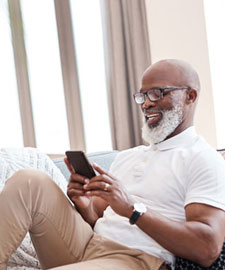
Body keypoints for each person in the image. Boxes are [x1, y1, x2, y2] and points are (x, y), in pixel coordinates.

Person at [1, 59, 225, 270]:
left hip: (135, 258)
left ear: (190, 96)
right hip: (88, 244)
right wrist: (84, 203)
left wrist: (132, 209)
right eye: (142, 95)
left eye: (158, 93)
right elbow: (96, 217)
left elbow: (207, 248)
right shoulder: (128, 157)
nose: (147, 103)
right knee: (30, 180)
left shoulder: (202, 158)